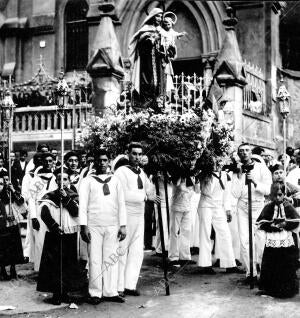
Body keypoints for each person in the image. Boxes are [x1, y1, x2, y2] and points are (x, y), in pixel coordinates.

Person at [79, 149, 127, 304]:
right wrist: (83, 226)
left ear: (109, 162)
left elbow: (121, 204)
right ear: (94, 162)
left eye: (105, 160)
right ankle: (95, 292)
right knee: (94, 260)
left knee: (110, 259)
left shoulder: (115, 181)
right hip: (94, 226)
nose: (102, 163)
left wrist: (123, 225)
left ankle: (110, 291)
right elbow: (83, 206)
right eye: (99, 160)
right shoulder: (87, 181)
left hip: (112, 225)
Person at [114, 142, 158, 296]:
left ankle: (129, 284)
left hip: (139, 215)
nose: (137, 157)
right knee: (122, 250)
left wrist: (152, 186)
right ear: (127, 154)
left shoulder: (140, 172)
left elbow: (149, 188)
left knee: (137, 251)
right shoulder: (121, 172)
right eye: (134, 153)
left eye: (140, 154)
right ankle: (118, 286)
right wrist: (146, 196)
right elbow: (123, 194)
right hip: (125, 214)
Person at [37, 168, 86, 305]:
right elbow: (44, 212)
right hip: (55, 233)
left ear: (69, 181)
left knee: (68, 263)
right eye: (59, 179)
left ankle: (65, 292)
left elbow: (76, 212)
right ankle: (56, 294)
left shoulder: (73, 195)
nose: (62, 181)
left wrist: (65, 197)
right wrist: (53, 226)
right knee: (54, 265)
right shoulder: (50, 195)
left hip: (69, 233)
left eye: (65, 179)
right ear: (55, 180)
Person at [231, 143, 272, 283]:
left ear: (251, 153)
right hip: (242, 206)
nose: (244, 153)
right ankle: (251, 273)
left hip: (258, 207)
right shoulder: (237, 170)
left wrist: (255, 183)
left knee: (260, 240)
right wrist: (238, 176)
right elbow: (235, 193)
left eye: (246, 150)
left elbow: (268, 190)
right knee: (245, 241)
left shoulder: (262, 168)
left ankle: (265, 272)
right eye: (241, 151)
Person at [197, 153, 239, 274]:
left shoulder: (225, 175)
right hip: (206, 205)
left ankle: (230, 264)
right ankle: (205, 265)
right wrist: (206, 175)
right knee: (205, 233)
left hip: (218, 207)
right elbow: (206, 191)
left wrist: (228, 209)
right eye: (215, 162)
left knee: (225, 233)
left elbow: (226, 194)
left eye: (219, 162)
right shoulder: (205, 175)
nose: (218, 164)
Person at [257, 182, 300, 298]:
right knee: (272, 263)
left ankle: (287, 290)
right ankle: (270, 289)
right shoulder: (268, 207)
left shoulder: (288, 206)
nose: (278, 197)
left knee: (285, 263)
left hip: (285, 239)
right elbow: (260, 222)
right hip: (272, 239)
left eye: (280, 195)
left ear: (284, 194)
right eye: (275, 195)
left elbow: (296, 221)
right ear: (271, 195)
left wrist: (285, 225)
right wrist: (271, 226)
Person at [130, 8, 167, 110]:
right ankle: (145, 104)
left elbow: (164, 46)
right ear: (152, 17)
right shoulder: (145, 29)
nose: (160, 19)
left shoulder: (160, 31)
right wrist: (150, 40)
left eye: (161, 16)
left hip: (157, 61)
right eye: (158, 16)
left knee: (157, 84)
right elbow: (140, 45)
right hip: (146, 62)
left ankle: (156, 103)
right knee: (148, 82)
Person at [26, 152, 57, 271]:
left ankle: (51, 269)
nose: (48, 163)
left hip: (53, 212)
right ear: (42, 162)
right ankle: (40, 269)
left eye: (51, 161)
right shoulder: (36, 179)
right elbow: (31, 199)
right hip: (40, 211)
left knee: (52, 240)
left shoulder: (56, 177)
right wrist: (34, 217)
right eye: (46, 161)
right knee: (41, 241)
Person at [0, 172, 26, 280]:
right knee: (3, 246)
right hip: (2, 220)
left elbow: (21, 202)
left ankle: (13, 268)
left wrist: (13, 190)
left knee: (14, 244)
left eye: (7, 180)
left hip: (13, 219)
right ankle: (2, 269)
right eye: (2, 181)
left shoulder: (12, 191)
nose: (5, 183)